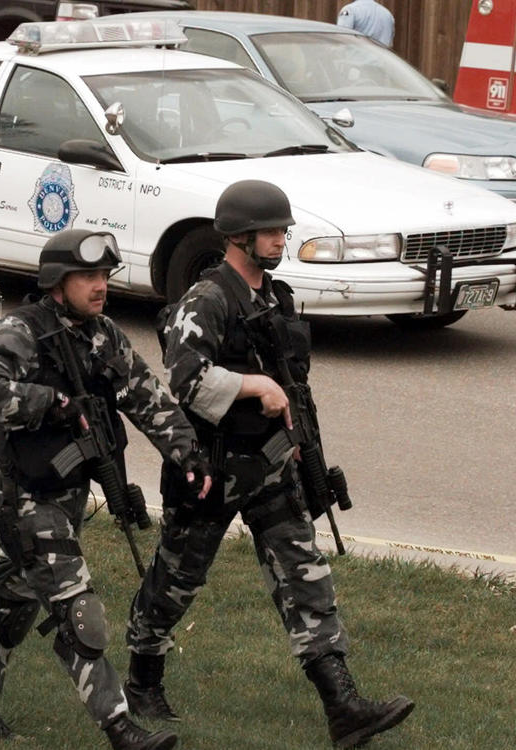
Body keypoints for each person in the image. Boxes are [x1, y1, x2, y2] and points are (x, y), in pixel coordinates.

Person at [125, 180, 414, 748]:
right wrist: (255, 385)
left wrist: (300, 440)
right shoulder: (207, 299)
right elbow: (184, 379)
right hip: (211, 468)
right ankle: (142, 678)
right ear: (238, 236)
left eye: (282, 229)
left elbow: (293, 383)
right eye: (270, 231)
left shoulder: (272, 298)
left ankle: (344, 707)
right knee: (177, 581)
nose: (280, 238)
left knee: (306, 577)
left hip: (272, 466)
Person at [0, 229, 211, 750]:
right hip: (21, 497)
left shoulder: (103, 335)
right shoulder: (21, 332)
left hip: (65, 493)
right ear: (56, 283)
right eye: (87, 277)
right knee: (77, 607)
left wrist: (186, 452)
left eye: (103, 277)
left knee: (14, 596)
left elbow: (145, 395)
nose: (100, 287)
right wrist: (50, 402)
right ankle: (120, 728)